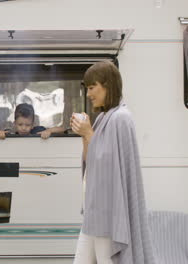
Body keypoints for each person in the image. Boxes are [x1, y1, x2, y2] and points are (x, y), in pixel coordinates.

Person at [70, 61, 155, 264]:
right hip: (94, 213)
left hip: (109, 215)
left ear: (107, 85)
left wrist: (89, 133)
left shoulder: (121, 118)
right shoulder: (102, 118)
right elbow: (91, 161)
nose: (89, 94)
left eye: (92, 87)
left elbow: (112, 168)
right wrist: (85, 135)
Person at [0, 103, 64, 140]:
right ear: (15, 124)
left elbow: (62, 130)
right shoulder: (11, 134)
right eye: (20, 124)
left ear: (32, 125)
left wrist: (49, 131)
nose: (24, 128)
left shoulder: (38, 131)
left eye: (27, 125)